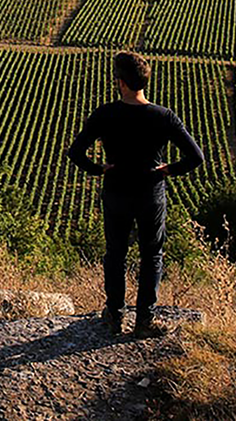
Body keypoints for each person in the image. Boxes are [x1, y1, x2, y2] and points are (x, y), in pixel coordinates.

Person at [68, 51, 205, 338]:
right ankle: (145, 319)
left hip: (116, 191)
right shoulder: (164, 116)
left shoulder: (105, 113)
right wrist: (169, 169)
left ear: (121, 83)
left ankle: (115, 316)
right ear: (144, 82)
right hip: (150, 193)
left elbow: (76, 152)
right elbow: (195, 157)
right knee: (151, 254)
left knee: (115, 254)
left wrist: (99, 168)